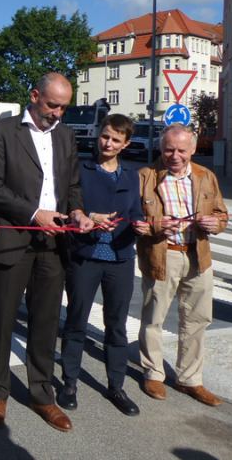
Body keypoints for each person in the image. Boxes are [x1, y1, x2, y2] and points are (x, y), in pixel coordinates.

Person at [0, 72, 93, 433]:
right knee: (1, 320)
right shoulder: (1, 132)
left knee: (45, 322)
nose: (57, 113)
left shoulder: (66, 135)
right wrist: (33, 213)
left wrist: (77, 211)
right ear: (34, 96)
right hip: (13, 238)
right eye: (52, 104)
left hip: (53, 240)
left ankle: (42, 395)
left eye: (63, 107)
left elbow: (71, 184)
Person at [58, 115, 149, 416]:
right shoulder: (82, 169)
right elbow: (70, 206)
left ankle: (116, 387)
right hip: (85, 255)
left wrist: (140, 226)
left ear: (126, 144)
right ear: (98, 135)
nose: (107, 143)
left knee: (117, 326)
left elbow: (135, 211)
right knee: (76, 321)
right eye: (104, 136)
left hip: (120, 258)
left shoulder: (131, 175)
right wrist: (87, 215)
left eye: (115, 140)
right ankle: (69, 383)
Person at [137, 123, 228, 407]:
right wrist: (155, 227)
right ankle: (153, 373)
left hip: (198, 254)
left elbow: (221, 214)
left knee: (198, 319)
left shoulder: (205, 176)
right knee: (154, 316)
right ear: (160, 149)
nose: (175, 156)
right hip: (163, 253)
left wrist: (216, 224)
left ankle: (190, 379)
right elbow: (133, 221)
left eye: (181, 150)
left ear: (192, 149)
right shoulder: (145, 176)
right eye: (168, 149)